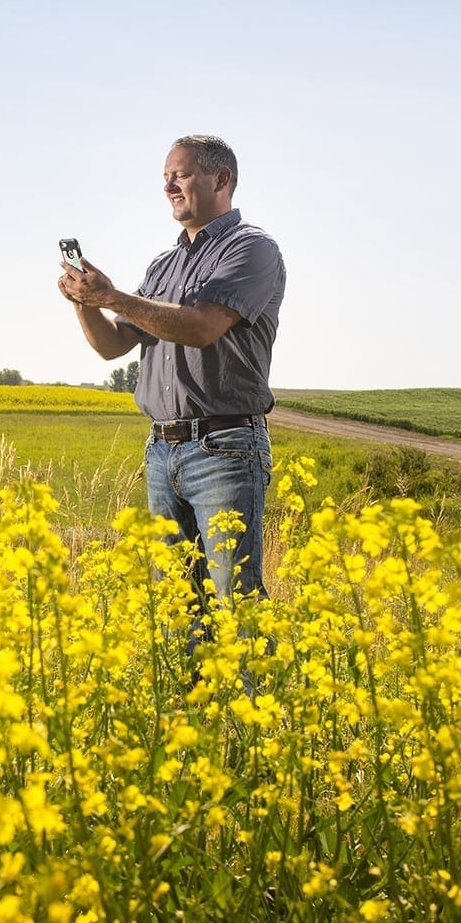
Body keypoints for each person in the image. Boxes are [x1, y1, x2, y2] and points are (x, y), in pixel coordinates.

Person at [59, 134, 285, 603]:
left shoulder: (252, 249)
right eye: (166, 178)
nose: (169, 187)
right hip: (162, 448)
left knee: (233, 601)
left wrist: (112, 296)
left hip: (224, 447)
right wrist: (85, 303)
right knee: (177, 605)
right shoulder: (163, 266)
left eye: (180, 175)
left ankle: (244, 681)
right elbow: (113, 345)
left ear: (221, 179)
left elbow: (203, 327)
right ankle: (190, 681)